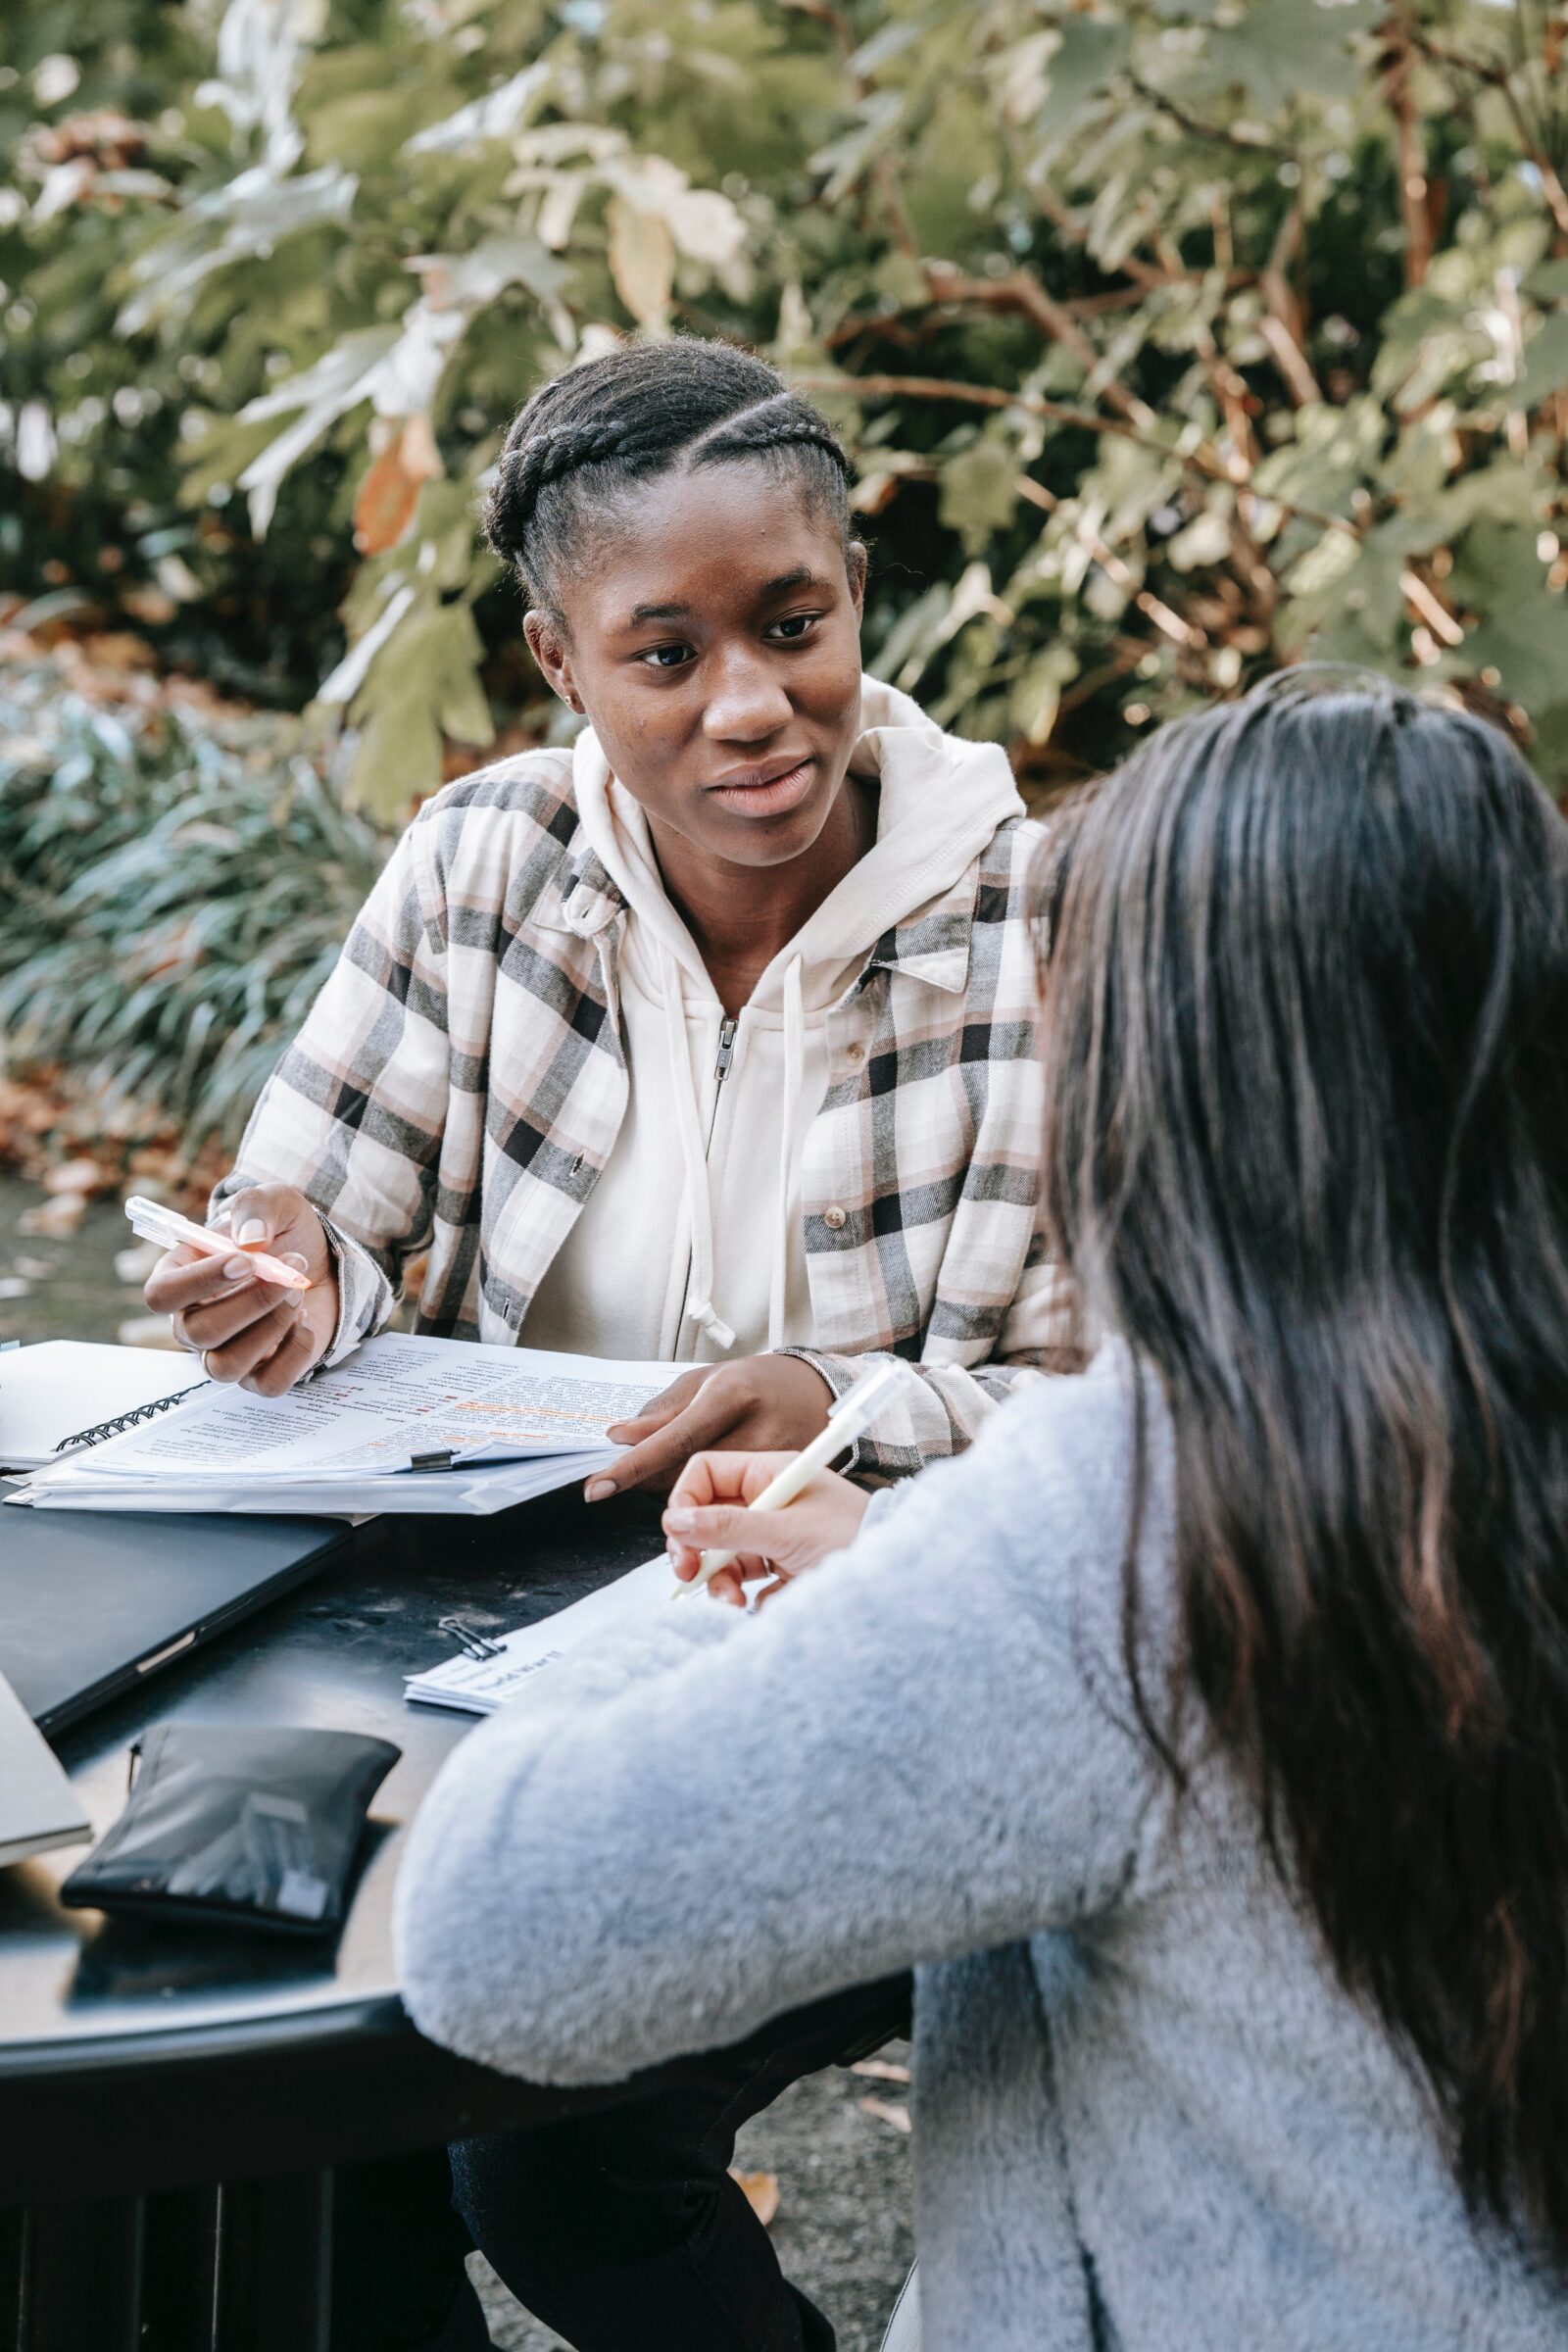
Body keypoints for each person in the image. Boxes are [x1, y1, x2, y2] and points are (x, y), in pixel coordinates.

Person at [396, 672, 1568, 2352]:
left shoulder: (1134, 1524)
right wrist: (894, 1561)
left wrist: (665, 1623)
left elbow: (501, 1933)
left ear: (1166, 1087)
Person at [140, 337, 1066, 2351]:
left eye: (794, 627)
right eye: (664, 656)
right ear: (558, 666)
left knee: (556, 2144)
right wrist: (288, 1266)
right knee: (278, 2088)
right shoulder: (484, 863)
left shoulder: (1040, 926)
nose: (753, 706)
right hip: (468, 1682)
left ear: (852, 594)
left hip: (857, 1692)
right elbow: (320, 1212)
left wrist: (847, 1400)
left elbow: (1126, 1428)